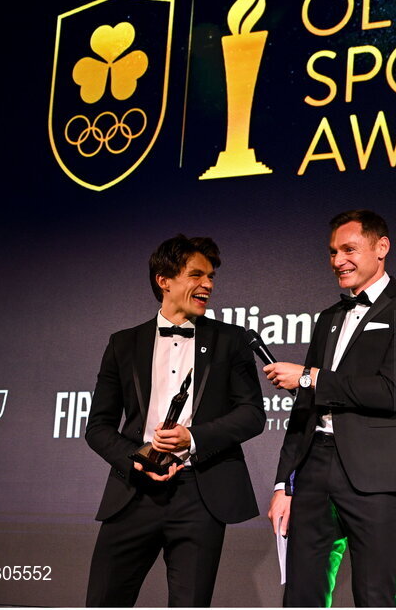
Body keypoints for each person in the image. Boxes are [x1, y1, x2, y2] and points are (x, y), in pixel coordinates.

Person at [265, 209, 396, 607]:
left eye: (349, 249)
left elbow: (394, 392)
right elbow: (305, 410)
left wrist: (311, 377)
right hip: (312, 470)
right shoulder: (328, 317)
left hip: (376, 476)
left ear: (381, 248)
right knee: (301, 594)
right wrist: (283, 482)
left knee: (374, 594)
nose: (337, 260)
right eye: (332, 252)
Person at [85, 235, 265, 607]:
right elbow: (98, 427)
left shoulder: (231, 341)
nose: (208, 285)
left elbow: (252, 415)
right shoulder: (123, 344)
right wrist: (137, 456)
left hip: (200, 495)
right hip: (133, 492)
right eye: (196, 275)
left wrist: (193, 438)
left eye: (211, 277)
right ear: (163, 280)